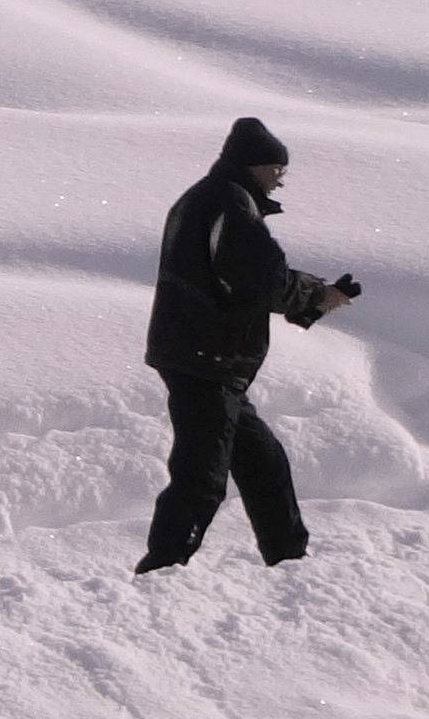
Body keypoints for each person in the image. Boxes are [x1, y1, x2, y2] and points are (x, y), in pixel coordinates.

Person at [134, 115, 355, 575]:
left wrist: (310, 300)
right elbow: (262, 280)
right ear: (252, 165)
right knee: (202, 479)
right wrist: (316, 296)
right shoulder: (228, 204)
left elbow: (247, 279)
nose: (280, 179)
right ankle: (160, 572)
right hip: (207, 358)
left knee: (264, 463)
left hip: (209, 358)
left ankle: (291, 564)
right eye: (276, 168)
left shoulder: (209, 199)